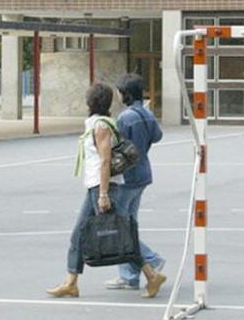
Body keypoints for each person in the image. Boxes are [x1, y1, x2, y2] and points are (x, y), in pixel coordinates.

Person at [47, 82, 167, 299]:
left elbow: (105, 160)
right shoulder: (96, 123)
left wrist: (103, 194)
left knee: (121, 235)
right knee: (79, 234)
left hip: (103, 187)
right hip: (95, 185)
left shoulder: (101, 126)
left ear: (90, 102)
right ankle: (70, 282)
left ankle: (151, 273)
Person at [105, 73, 166, 293]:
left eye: (120, 92)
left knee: (121, 227)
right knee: (129, 223)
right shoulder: (147, 114)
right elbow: (157, 136)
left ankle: (150, 259)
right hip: (143, 173)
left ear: (126, 94)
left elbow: (115, 146)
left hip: (126, 177)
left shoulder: (125, 117)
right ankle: (129, 276)